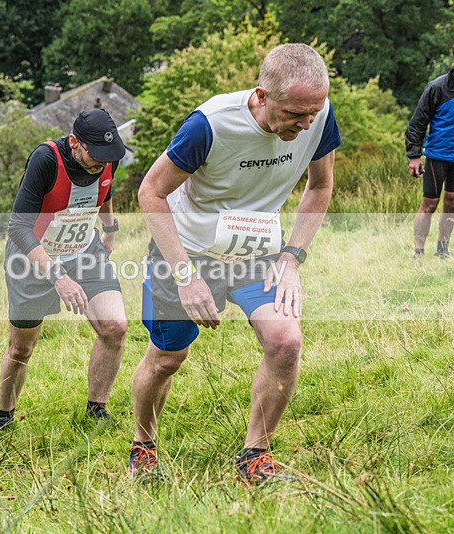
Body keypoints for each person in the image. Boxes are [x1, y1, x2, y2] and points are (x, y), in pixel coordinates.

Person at [132, 43, 340, 483]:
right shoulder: (208, 125)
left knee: (285, 343)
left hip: (258, 251)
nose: (305, 126)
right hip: (188, 251)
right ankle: (144, 445)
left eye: (312, 113)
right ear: (262, 97)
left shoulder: (318, 115)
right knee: (168, 357)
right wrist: (185, 275)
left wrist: (292, 257)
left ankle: (255, 457)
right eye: (293, 115)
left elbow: (320, 188)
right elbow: (150, 192)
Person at [0, 108, 128, 431]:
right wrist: (58, 276)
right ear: (74, 143)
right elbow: (18, 228)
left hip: (84, 252)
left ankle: (96, 409)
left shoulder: (107, 156)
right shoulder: (46, 160)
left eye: (107, 157)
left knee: (115, 327)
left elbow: (105, 192)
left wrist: (110, 230)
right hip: (33, 256)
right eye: (94, 156)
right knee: (22, 346)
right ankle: (4, 416)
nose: (101, 163)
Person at [405, 67, 454, 259]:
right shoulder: (437, 87)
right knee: (429, 204)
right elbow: (417, 122)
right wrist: (414, 156)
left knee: (452, 203)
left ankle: (443, 249)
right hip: (437, 157)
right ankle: (418, 251)